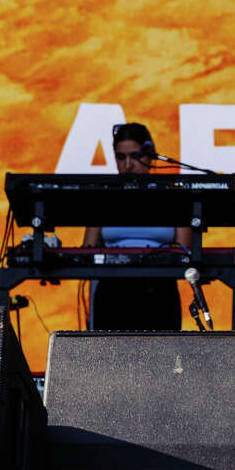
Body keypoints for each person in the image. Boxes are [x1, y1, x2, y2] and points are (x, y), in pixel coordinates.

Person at [82, 122, 194, 330]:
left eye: (135, 156)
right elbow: (88, 251)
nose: (128, 165)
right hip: (112, 289)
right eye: (121, 157)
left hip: (159, 288)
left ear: (150, 155)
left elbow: (184, 252)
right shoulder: (103, 198)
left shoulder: (174, 198)